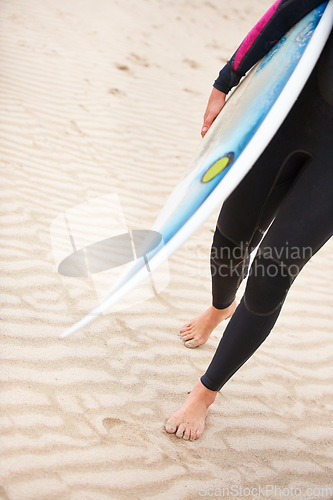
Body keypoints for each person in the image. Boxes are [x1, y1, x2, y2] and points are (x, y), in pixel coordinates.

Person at [165, 0, 333, 441]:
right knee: (231, 237)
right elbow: (287, 9)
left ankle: (205, 392)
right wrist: (226, 80)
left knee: (273, 271)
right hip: (295, 113)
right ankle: (221, 306)